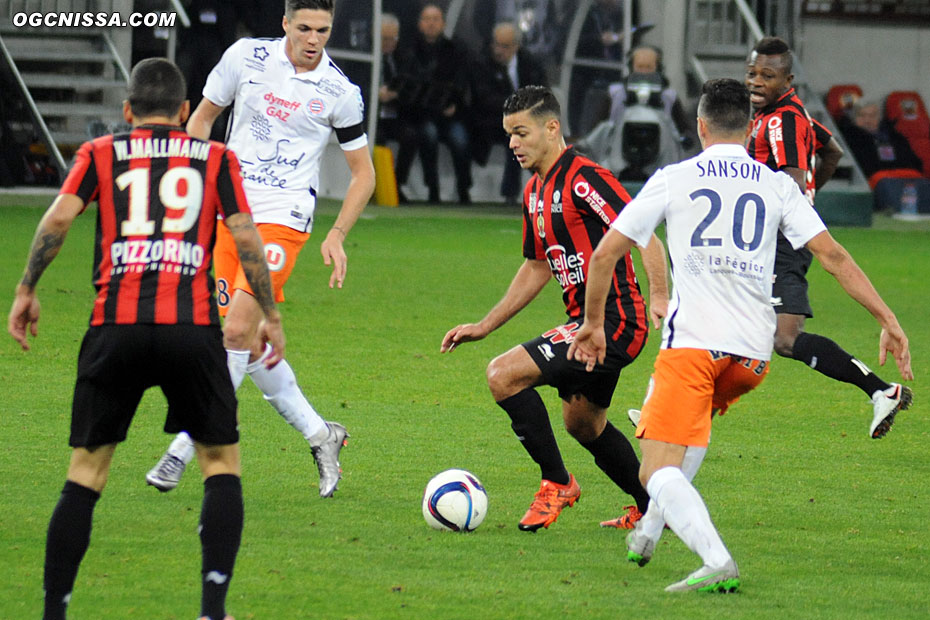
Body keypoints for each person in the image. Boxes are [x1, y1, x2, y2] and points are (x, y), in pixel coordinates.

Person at [568, 78, 913, 592]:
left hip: (693, 346)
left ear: (700, 127)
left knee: (652, 470)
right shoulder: (777, 186)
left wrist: (594, 325)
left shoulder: (674, 177)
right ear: (751, 129)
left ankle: (715, 559)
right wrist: (888, 319)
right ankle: (652, 527)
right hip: (753, 356)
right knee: (694, 423)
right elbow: (834, 256)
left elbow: (604, 255)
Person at [7, 58, 285, 620]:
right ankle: (212, 609)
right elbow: (246, 236)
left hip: (116, 326)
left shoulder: (100, 154)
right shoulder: (214, 158)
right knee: (220, 462)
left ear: (127, 111)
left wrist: (26, 288)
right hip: (191, 328)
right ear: (185, 113)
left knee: (86, 471)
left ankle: (54, 611)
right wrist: (270, 315)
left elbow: (59, 219)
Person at [146, 0, 376, 498]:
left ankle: (181, 450)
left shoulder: (340, 92)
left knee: (233, 331)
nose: (314, 40)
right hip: (232, 213)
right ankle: (322, 435)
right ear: (285, 25)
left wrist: (336, 233)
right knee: (248, 346)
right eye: (305, 28)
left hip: (285, 219)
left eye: (324, 30)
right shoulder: (245, 58)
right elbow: (202, 120)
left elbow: (364, 174)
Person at [440, 85, 669, 532]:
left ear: (551, 128)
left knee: (502, 375)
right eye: (509, 135)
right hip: (584, 325)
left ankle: (557, 483)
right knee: (583, 423)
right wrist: (485, 325)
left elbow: (647, 234)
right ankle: (652, 508)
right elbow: (536, 267)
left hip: (616, 322)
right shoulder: (535, 193)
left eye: (521, 133)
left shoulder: (585, 179)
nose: (513, 144)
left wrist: (659, 294)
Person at [745, 36, 911, 438]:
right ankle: (664, 413)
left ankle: (880, 390)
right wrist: (810, 199)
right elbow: (832, 150)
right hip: (778, 237)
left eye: (768, 75)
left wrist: (801, 200)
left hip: (778, 240)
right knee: (740, 326)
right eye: (752, 73)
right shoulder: (791, 113)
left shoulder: (780, 121)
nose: (756, 82)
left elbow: (791, 182)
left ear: (788, 80)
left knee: (784, 338)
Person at [396, 3, 474, 204]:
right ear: (420, 24)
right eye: (427, 19)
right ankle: (433, 188)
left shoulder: (455, 49)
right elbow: (406, 85)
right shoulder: (409, 50)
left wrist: (455, 104)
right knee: (428, 135)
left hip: (449, 113)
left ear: (443, 24)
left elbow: (462, 81)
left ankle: (463, 187)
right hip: (421, 114)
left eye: (435, 19)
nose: (431, 24)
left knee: (460, 139)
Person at [470, 21, 547, 205]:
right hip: (491, 122)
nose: (498, 50)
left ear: (516, 46)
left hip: (527, 121)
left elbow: (542, 93)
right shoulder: (482, 63)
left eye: (504, 46)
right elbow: (484, 99)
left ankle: (550, 186)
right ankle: (510, 193)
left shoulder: (530, 63)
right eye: (496, 44)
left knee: (539, 138)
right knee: (516, 138)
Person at [375, 12, 420, 204]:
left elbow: (412, 84)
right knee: (378, 138)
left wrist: (397, 94)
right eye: (385, 39)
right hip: (372, 117)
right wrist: (376, 94)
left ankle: (396, 184)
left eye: (393, 38)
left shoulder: (403, 57)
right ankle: (375, 186)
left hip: (395, 114)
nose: (389, 43)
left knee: (411, 136)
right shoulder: (366, 57)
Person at [837, 101, 924, 184]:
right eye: (862, 115)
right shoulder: (848, 139)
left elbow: (916, 164)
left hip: (903, 184)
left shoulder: (896, 137)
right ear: (854, 119)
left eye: (872, 116)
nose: (867, 120)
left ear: (880, 119)